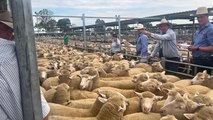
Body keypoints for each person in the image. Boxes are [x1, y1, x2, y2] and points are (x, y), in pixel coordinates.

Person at [0, 11, 50, 120]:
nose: (11, 36)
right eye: (7, 30)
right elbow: (42, 112)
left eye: (12, 31)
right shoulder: (9, 58)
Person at [188, 7, 213, 74]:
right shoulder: (198, 30)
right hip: (196, 60)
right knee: (194, 81)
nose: (199, 19)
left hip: (205, 61)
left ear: (207, 16)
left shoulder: (211, 29)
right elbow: (195, 43)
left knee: (202, 82)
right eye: (198, 17)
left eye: (201, 17)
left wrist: (197, 48)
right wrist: (192, 47)